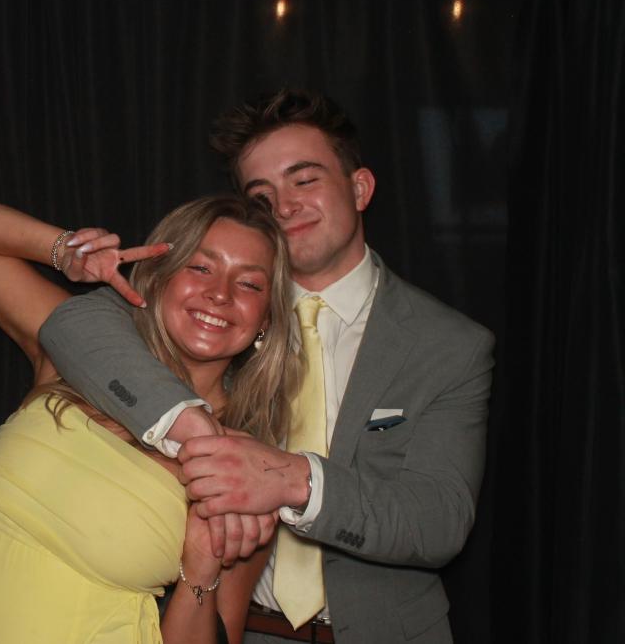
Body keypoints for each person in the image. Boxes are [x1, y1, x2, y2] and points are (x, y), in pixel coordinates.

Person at [39, 89, 495, 643]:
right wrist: (64, 251)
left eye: (304, 180)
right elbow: (72, 323)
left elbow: (439, 521)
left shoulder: (449, 344)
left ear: (359, 188)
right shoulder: (218, 318)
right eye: (262, 194)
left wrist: (290, 479)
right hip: (237, 627)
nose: (283, 206)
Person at [0, 194, 299, 643]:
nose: (220, 294)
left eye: (249, 284)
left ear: (267, 318)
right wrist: (66, 251)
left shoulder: (248, 469)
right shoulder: (73, 352)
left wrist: (199, 567)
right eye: (200, 267)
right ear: (159, 277)